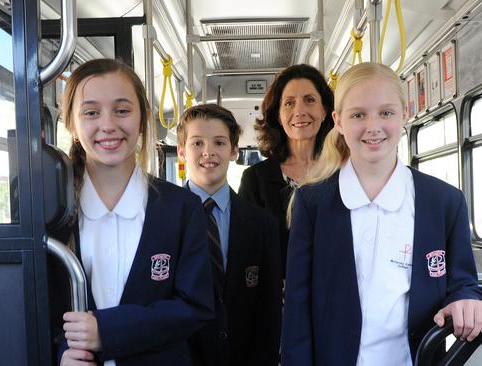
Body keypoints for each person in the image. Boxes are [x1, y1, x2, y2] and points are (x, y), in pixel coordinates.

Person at [281, 62, 482, 366]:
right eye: (358, 115)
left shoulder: (444, 202)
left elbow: (462, 281)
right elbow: (297, 310)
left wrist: (467, 300)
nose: (373, 126)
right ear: (338, 121)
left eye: (386, 112)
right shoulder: (313, 203)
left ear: (404, 115)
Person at [56, 58, 214, 366]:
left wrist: (107, 330)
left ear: (142, 118)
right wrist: (61, 353)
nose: (108, 125)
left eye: (122, 110)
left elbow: (196, 306)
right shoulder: (54, 214)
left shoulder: (181, 208)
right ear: (72, 124)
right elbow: (38, 307)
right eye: (91, 113)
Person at [177, 104, 282, 366]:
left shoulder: (262, 224)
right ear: (181, 151)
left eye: (219, 142)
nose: (208, 152)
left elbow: (269, 315)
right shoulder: (160, 219)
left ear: (234, 151)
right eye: (197, 143)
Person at [238, 64, 334, 276]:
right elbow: (246, 252)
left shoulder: (341, 173)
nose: (299, 111)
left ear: (325, 110)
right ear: (278, 116)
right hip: (275, 299)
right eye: (289, 103)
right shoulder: (256, 179)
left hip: (332, 295)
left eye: (310, 100)